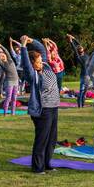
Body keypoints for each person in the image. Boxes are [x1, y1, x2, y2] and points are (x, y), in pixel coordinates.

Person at [19, 38, 61, 172]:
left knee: (52, 139)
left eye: (40, 60)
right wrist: (24, 47)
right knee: (42, 139)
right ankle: (37, 167)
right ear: (32, 64)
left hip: (54, 108)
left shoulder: (46, 66)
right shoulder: (32, 75)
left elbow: (42, 50)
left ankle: (47, 164)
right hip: (43, 110)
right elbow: (25, 63)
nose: (40, 63)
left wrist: (31, 40)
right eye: (37, 62)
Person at [0, 35, 19, 115]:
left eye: (3, 55)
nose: (2, 56)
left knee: (14, 98)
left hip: (16, 81)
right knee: (8, 98)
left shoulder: (10, 59)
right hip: (9, 82)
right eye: (1, 56)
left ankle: (13, 113)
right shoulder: (2, 63)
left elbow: (5, 50)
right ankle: (5, 113)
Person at [66, 34, 88, 109]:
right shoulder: (79, 57)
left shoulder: (85, 54)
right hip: (84, 76)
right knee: (81, 92)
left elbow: (79, 44)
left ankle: (83, 104)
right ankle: (80, 106)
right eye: (80, 48)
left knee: (85, 92)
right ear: (80, 51)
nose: (81, 47)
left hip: (88, 76)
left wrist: (73, 38)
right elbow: (75, 49)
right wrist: (71, 42)